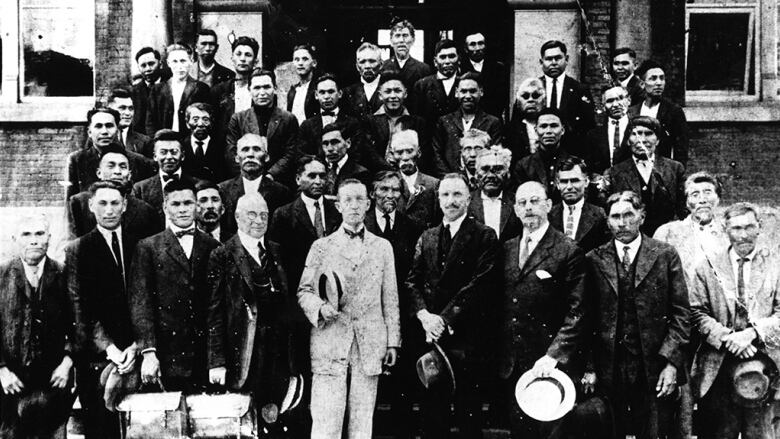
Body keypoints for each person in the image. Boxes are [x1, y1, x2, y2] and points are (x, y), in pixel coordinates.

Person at [298, 179, 400, 439]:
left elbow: (390, 297)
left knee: (362, 421)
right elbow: (304, 291)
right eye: (347, 200)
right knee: (326, 419)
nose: (354, 206)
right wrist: (320, 308)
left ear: (368, 204)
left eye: (359, 199)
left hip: (369, 343)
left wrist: (392, 342)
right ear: (339, 206)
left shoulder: (382, 247)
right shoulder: (321, 247)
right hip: (330, 340)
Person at [585, 190, 690, 439]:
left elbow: (681, 313)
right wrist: (590, 366)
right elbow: (585, 318)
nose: (622, 222)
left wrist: (671, 363)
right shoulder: (594, 259)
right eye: (615, 216)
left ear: (641, 216)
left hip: (653, 366)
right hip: (609, 367)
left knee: (653, 432)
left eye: (629, 215)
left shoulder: (664, 254)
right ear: (607, 221)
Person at [406, 173, 499, 438]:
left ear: (469, 198)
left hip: (466, 338)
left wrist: (443, 320)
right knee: (432, 413)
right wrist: (424, 316)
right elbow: (412, 281)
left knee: (468, 412)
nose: (451, 201)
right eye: (445, 195)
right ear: (438, 199)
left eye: (457, 194)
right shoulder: (428, 236)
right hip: (431, 338)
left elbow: (480, 284)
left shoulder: (484, 236)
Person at [500, 181, 587, 438]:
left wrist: (553, 355)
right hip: (513, 366)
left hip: (550, 366)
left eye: (535, 201)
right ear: (515, 209)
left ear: (549, 205)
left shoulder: (568, 250)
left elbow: (578, 311)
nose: (529, 208)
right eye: (522, 203)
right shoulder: (506, 249)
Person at [689, 202, 780, 439]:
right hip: (717, 369)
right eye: (736, 228)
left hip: (765, 370)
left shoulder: (775, 265)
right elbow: (696, 312)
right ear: (725, 229)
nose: (743, 235)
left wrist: (751, 334)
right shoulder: (707, 267)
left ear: (759, 227)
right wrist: (729, 338)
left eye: (749, 227)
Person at [207, 193, 296, 432]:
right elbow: (214, 312)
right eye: (252, 214)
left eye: (264, 215)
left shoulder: (276, 251)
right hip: (244, 354)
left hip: (277, 354)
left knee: (274, 420)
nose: (258, 220)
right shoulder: (222, 255)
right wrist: (217, 362)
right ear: (237, 217)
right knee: (245, 424)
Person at [128, 179, 221, 391]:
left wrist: (217, 359)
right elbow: (141, 304)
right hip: (166, 356)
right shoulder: (148, 247)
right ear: (165, 207)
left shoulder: (213, 247)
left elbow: (217, 307)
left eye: (188, 203)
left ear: (197, 206)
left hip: (203, 356)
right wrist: (149, 353)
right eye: (175, 204)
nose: (182, 209)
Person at [66, 180, 140, 438]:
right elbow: (78, 307)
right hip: (99, 358)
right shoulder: (77, 249)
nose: (109, 210)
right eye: (103, 203)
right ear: (90, 206)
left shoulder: (140, 245)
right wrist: (110, 348)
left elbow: (146, 301)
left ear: (125, 205)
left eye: (115, 203)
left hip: (136, 354)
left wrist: (137, 345)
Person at [0, 215, 74, 439]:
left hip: (54, 378)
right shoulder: (1, 276)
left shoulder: (65, 274)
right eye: (26, 234)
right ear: (15, 239)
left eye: (39, 234)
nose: (33, 240)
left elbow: (79, 322)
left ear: (49, 238)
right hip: (11, 381)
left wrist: (67, 361)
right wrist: (1, 368)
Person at [364, 171, 425, 439]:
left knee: (402, 381)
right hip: (367, 313)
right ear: (373, 193)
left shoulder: (411, 227)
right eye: (384, 190)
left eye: (396, 191)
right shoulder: (361, 225)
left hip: (401, 311)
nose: (390, 195)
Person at [605, 116, 686, 236]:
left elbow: (683, 208)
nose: (642, 139)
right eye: (636, 134)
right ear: (628, 140)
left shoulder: (674, 169)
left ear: (657, 140)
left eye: (648, 134)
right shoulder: (614, 173)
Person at [67, 144, 162, 240]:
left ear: (129, 175)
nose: (117, 171)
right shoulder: (79, 203)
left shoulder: (145, 210)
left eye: (123, 167)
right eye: (111, 166)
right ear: (99, 173)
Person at [225, 69, 300, 184]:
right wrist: (247, 176)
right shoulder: (238, 119)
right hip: (246, 179)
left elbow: (290, 153)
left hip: (278, 181)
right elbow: (232, 152)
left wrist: (271, 175)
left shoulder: (288, 119)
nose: (262, 92)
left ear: (275, 88)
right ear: (249, 90)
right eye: (257, 88)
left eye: (266, 87)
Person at [653, 171, 729, 280]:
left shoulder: (729, 231)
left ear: (718, 198)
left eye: (708, 192)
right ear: (687, 202)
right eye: (695, 195)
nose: (702, 200)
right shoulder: (668, 233)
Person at [67, 108, 156, 200]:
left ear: (117, 130)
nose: (104, 131)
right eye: (98, 126)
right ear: (89, 132)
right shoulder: (77, 160)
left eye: (109, 126)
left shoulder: (138, 161)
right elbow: (70, 200)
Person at [219, 133, 293, 237]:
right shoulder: (222, 190)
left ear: (266, 157)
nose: (250, 154)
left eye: (256, 149)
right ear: (236, 158)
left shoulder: (282, 193)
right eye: (245, 149)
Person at [432, 72, 503, 176]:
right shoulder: (444, 121)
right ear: (456, 93)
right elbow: (437, 154)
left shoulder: (492, 122)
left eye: (473, 91)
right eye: (463, 91)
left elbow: (495, 154)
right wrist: (450, 178)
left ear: (481, 92)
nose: (468, 96)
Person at [131, 129, 205, 223]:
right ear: (155, 156)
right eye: (163, 152)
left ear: (182, 156)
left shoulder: (198, 185)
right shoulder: (140, 189)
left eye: (174, 152)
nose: (169, 157)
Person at [362, 71, 428, 173]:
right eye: (388, 91)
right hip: (379, 175)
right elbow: (370, 154)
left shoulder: (418, 122)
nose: (393, 96)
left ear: (405, 93)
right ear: (380, 95)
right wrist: (388, 169)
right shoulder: (369, 122)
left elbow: (423, 153)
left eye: (397, 91)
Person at [628, 60, 690, 166]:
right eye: (653, 79)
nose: (659, 83)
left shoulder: (673, 111)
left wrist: (675, 174)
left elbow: (681, 149)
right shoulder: (633, 111)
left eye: (662, 78)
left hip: (661, 168)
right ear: (642, 84)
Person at [145, 43, 210, 135]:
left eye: (183, 61)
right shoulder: (157, 89)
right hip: (164, 141)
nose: (179, 66)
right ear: (168, 63)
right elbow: (150, 122)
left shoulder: (201, 88)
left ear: (191, 61)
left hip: (189, 142)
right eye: (175, 61)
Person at [549, 156, 609, 253]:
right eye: (564, 181)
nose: (569, 187)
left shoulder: (599, 215)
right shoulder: (549, 215)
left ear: (586, 182)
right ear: (558, 184)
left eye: (574, 181)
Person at [298, 73, 364, 160]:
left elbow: (357, 154)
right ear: (316, 95)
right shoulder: (307, 126)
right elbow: (301, 154)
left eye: (331, 92)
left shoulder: (352, 124)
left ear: (340, 93)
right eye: (322, 92)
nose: (326, 97)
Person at [538, 40, 595, 137]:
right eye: (548, 59)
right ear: (541, 62)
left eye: (558, 58)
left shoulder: (580, 89)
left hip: (571, 148)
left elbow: (589, 125)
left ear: (566, 59)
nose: (554, 63)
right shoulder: (533, 88)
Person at [210, 36, 260, 140]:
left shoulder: (261, 90)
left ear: (255, 61)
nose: (242, 59)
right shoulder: (219, 91)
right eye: (238, 54)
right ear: (232, 58)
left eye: (248, 55)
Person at [467, 148, 522, 242]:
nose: (491, 175)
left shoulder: (518, 202)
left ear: (508, 174)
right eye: (485, 169)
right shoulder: (466, 203)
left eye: (498, 169)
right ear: (476, 174)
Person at [389, 129, 440, 228]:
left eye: (409, 151)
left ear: (419, 152)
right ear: (393, 155)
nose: (405, 157)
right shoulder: (387, 183)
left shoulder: (433, 184)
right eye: (399, 152)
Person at [584, 85, 632, 175]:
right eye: (610, 101)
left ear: (629, 100)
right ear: (603, 106)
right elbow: (590, 166)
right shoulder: (593, 135)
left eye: (620, 98)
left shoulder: (638, 130)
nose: (615, 104)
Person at [460, 31, 508, 120]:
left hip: (492, 118)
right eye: (473, 44)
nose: (477, 48)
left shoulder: (498, 68)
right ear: (466, 49)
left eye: (480, 43)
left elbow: (502, 98)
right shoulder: (460, 69)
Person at [412, 39, 460, 125]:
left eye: (452, 56)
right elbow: (417, 119)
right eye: (442, 57)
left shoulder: (466, 83)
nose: (447, 61)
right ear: (435, 61)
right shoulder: (422, 85)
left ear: (459, 59)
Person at [181, 102, 229, 183]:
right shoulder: (181, 146)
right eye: (195, 119)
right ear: (187, 123)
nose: (200, 124)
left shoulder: (222, 147)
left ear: (211, 123)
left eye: (205, 119)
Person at [320, 123, 371, 196]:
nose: (330, 149)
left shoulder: (360, 173)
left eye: (335, 142)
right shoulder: (319, 170)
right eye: (325, 144)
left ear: (348, 143)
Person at [381, 20, 432, 88]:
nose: (401, 40)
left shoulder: (423, 69)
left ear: (413, 40)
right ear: (391, 41)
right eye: (397, 36)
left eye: (405, 35)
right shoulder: (382, 67)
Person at [505, 78, 546, 164]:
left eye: (536, 96)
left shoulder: (551, 125)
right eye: (525, 96)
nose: (530, 100)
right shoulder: (510, 131)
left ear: (544, 101)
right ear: (519, 102)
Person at [131, 47, 170, 135]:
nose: (147, 69)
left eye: (151, 64)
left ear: (160, 64)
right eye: (143, 65)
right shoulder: (134, 92)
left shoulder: (170, 86)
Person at [342, 42, 384, 118]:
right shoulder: (348, 92)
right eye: (362, 62)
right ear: (357, 66)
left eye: (372, 61)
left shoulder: (389, 89)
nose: (367, 66)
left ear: (381, 65)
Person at [107, 88, 153, 156]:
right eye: (122, 108)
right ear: (110, 109)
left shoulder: (145, 142)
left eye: (131, 109)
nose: (128, 113)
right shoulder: (102, 137)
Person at [287, 44, 320, 124]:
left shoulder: (318, 88)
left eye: (305, 59)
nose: (300, 63)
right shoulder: (293, 90)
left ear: (314, 63)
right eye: (297, 59)